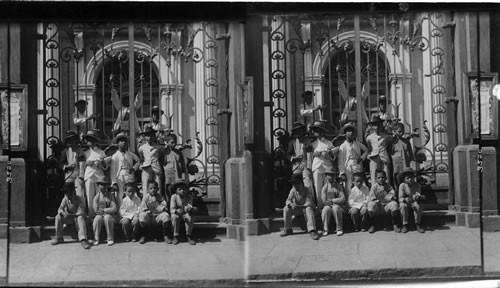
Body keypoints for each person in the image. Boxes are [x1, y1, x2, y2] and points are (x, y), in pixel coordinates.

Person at [52, 182, 91, 249]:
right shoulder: (65, 198)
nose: (67, 194)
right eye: (66, 192)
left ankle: (83, 239)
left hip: (77, 218)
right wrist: (63, 213)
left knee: (80, 218)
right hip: (69, 218)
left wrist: (71, 215)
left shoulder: (79, 199)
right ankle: (59, 237)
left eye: (69, 192)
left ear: (73, 191)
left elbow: (81, 211)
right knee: (58, 217)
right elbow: (60, 209)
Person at [280, 173, 319, 240]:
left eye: (296, 183)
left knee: (308, 209)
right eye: (293, 183)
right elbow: (288, 200)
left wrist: (299, 206)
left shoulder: (307, 189)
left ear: (301, 182)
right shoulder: (293, 190)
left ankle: (312, 230)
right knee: (286, 208)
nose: (295, 185)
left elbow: (309, 203)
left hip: (306, 210)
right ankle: (288, 229)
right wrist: (290, 204)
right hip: (297, 210)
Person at [81, 129, 108, 218]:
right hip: (89, 175)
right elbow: (81, 165)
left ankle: (100, 214)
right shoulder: (85, 152)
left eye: (92, 140)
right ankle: (91, 215)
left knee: (99, 196)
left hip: (99, 176)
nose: (90, 142)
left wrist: (100, 163)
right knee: (89, 196)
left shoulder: (101, 152)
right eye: (88, 140)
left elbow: (105, 166)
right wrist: (87, 163)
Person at [310, 121, 337, 208]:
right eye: (316, 130)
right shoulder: (312, 144)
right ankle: (320, 205)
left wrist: (329, 153)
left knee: (327, 186)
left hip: (326, 167)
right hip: (317, 166)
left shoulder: (328, 143)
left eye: (320, 130)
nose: (318, 132)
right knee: (317, 187)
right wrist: (314, 154)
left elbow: (334, 155)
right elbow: (309, 156)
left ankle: (328, 204)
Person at [337, 122, 368, 199]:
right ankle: (350, 203)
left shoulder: (357, 144)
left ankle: (361, 200)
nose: (350, 133)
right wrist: (342, 172)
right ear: (345, 134)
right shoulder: (343, 146)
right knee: (349, 185)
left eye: (352, 131)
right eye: (348, 131)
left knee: (360, 183)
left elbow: (366, 150)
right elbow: (340, 161)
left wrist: (361, 158)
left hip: (357, 166)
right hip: (348, 167)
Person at [109, 132, 140, 206]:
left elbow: (139, 161)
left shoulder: (130, 154)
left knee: (131, 194)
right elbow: (112, 170)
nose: (123, 143)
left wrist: (134, 168)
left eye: (125, 141)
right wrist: (114, 182)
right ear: (118, 143)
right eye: (121, 141)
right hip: (119, 177)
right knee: (120, 196)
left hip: (129, 175)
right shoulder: (115, 156)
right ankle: (121, 214)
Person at [138, 180, 172, 245]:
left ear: (158, 189)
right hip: (149, 217)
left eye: (155, 188)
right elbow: (143, 207)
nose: (153, 190)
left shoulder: (160, 197)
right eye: (151, 188)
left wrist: (159, 209)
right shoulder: (146, 197)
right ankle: (143, 235)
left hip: (157, 216)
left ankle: (166, 235)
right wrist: (148, 212)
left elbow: (164, 205)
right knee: (142, 215)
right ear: (147, 189)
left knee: (166, 215)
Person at [366, 115, 392, 186]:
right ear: (372, 127)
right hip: (374, 158)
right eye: (374, 125)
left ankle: (387, 192)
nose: (376, 127)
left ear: (381, 126)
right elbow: (369, 148)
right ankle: (374, 194)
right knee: (374, 175)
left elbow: (389, 146)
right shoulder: (369, 138)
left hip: (384, 158)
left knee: (386, 175)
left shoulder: (386, 137)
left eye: (378, 125)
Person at [138, 126, 164, 197]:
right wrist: (141, 165)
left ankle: (158, 202)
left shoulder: (158, 147)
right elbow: (141, 158)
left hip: (156, 167)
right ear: (144, 137)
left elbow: (161, 157)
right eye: (147, 136)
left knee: (158, 184)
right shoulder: (142, 148)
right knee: (145, 184)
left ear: (154, 137)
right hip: (146, 167)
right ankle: (146, 203)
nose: (149, 138)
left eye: (151, 136)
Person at [170, 179, 198, 245]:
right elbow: (172, 208)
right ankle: (175, 236)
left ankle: (188, 235)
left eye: (184, 189)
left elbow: (189, 206)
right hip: (177, 213)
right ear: (176, 191)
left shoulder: (189, 197)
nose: (182, 191)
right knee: (174, 217)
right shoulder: (174, 197)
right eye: (180, 189)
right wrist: (176, 211)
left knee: (190, 216)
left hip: (185, 213)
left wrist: (189, 209)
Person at [398, 168, 426, 233]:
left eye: (412, 177)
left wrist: (419, 197)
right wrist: (405, 199)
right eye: (407, 178)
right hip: (406, 202)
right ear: (404, 179)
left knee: (418, 205)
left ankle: (417, 223)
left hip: (414, 201)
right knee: (402, 206)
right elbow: (400, 197)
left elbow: (417, 195)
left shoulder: (417, 185)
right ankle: (404, 224)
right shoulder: (402, 185)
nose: (410, 179)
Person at [92, 176, 117, 246]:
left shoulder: (110, 196)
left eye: (105, 185)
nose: (103, 186)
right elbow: (96, 209)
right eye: (101, 184)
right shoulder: (96, 197)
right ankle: (96, 238)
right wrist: (100, 212)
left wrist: (105, 210)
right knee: (97, 219)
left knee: (107, 218)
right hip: (99, 215)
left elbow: (114, 207)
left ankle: (110, 238)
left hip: (109, 215)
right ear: (98, 186)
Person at [320, 168, 346, 236]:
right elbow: (324, 200)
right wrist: (328, 203)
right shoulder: (325, 187)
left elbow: (343, 198)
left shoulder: (339, 186)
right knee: (326, 209)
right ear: (326, 176)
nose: (331, 177)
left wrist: (333, 200)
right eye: (329, 175)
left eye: (333, 175)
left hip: (338, 205)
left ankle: (339, 228)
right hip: (328, 205)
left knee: (336, 208)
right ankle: (325, 229)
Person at [162, 133, 186, 198]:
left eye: (175, 142)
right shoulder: (164, 152)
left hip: (177, 174)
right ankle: (168, 202)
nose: (174, 144)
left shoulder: (178, 152)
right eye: (172, 142)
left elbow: (183, 164)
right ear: (167, 142)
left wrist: (183, 174)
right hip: (168, 174)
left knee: (177, 189)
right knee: (168, 189)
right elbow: (162, 163)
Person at [391, 122, 415, 188]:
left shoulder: (406, 141)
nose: (401, 133)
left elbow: (409, 153)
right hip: (396, 163)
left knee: (405, 177)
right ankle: (397, 192)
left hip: (405, 162)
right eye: (399, 131)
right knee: (397, 178)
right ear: (394, 131)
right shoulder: (392, 141)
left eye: (403, 131)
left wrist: (409, 160)